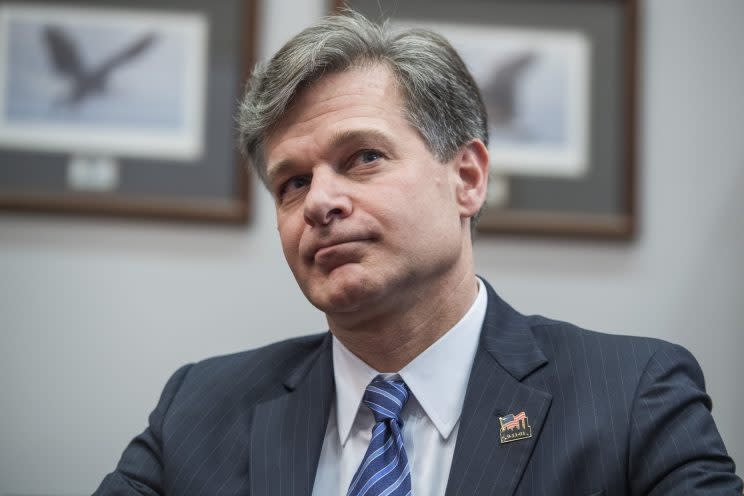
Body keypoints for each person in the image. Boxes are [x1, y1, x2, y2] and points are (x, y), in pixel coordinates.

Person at [95, 11, 741, 496]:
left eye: (363, 158)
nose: (320, 201)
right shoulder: (198, 408)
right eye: (292, 182)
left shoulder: (633, 398)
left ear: (467, 178)